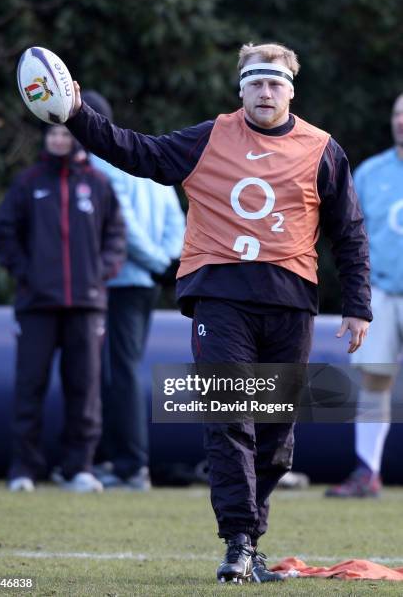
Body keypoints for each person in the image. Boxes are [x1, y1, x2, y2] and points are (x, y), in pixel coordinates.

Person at [66, 43, 372, 582]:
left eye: (275, 83)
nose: (265, 91)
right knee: (230, 414)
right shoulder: (210, 137)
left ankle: (251, 538)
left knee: (277, 436)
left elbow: (348, 231)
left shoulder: (322, 149)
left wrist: (357, 306)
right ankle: (236, 541)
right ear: (240, 89)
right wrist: (76, 115)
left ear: (291, 90)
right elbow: (137, 152)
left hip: (290, 302)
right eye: (255, 82)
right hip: (221, 296)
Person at [0, 124, 126, 493]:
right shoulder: (27, 183)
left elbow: (116, 237)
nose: (58, 140)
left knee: (85, 390)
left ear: (77, 139)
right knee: (29, 387)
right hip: (36, 306)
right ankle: (24, 468)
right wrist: (26, 274)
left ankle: (78, 468)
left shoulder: (99, 184)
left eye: (65, 134)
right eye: (53, 134)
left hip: (86, 306)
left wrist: (99, 274)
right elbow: (5, 233)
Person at [81, 90, 185, 491]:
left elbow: (123, 226)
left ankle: (129, 464)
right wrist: (167, 262)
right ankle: (121, 459)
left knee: (116, 373)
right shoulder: (142, 158)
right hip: (145, 282)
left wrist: (155, 263)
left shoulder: (100, 162)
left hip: (121, 279)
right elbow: (176, 218)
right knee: (123, 369)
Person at [326, 94, 403, 498]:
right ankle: (367, 472)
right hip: (384, 291)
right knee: (374, 380)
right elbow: (351, 235)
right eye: (397, 113)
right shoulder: (372, 172)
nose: (401, 121)